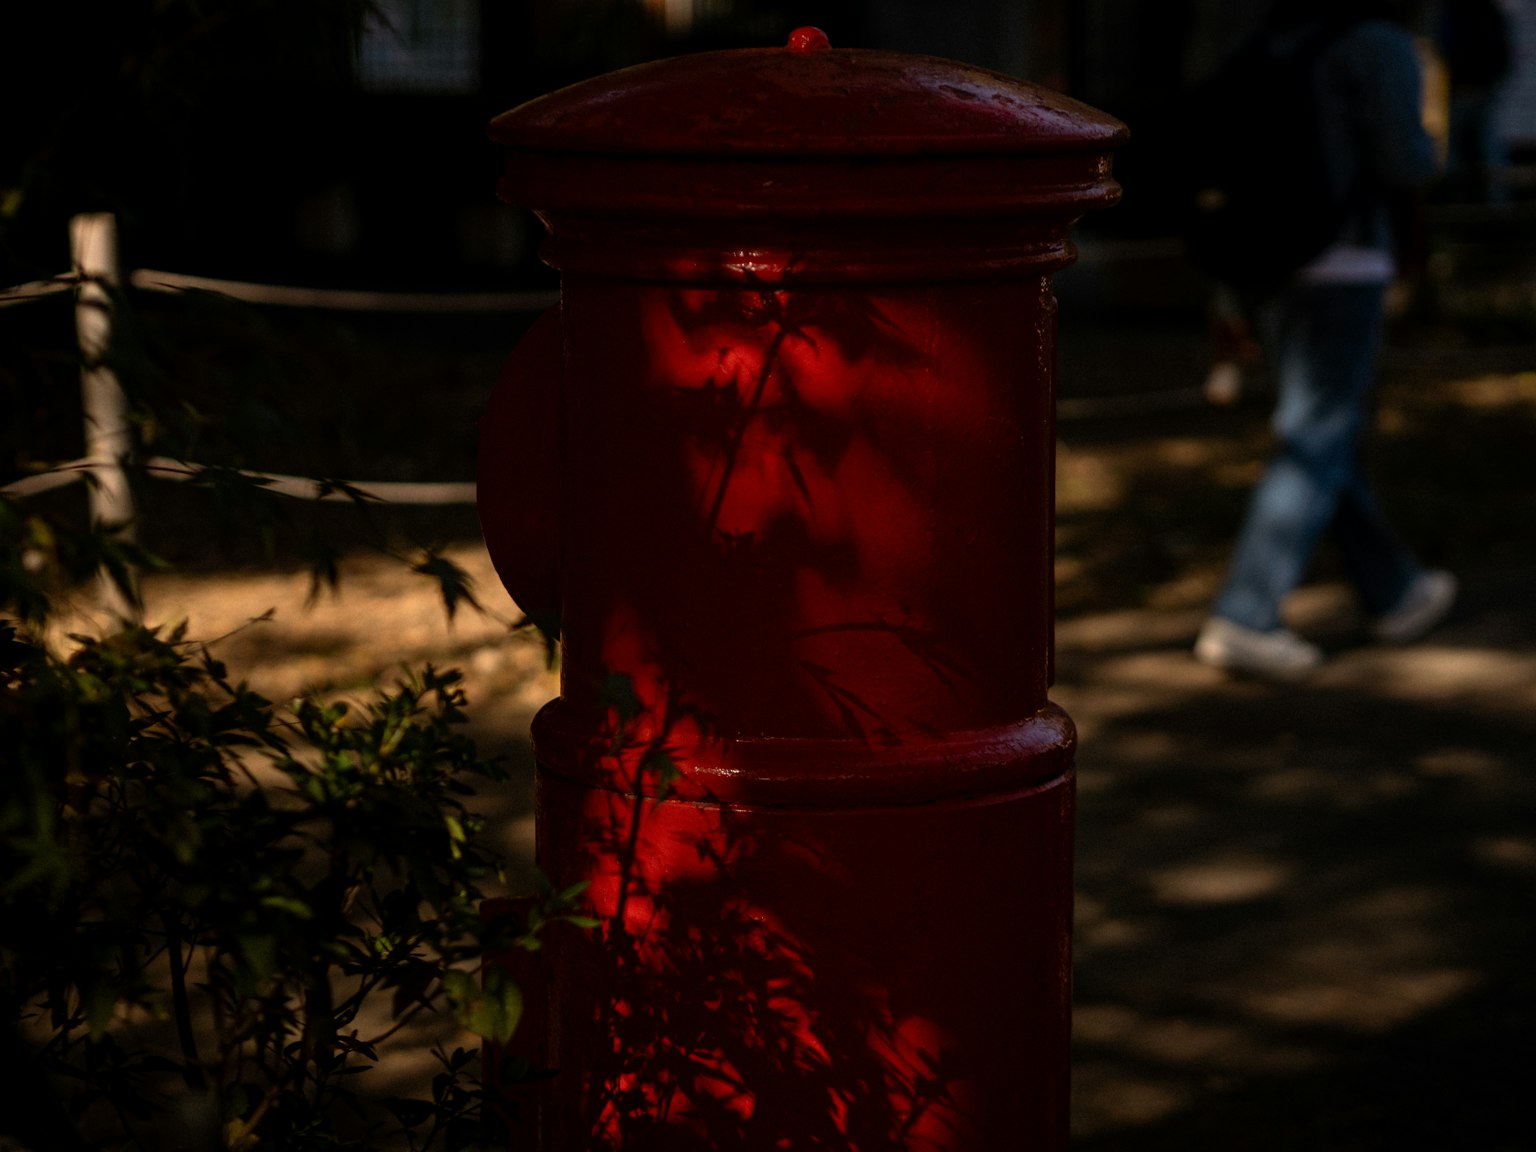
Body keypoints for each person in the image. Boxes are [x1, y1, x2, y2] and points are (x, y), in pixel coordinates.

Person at [1194, 0, 1457, 680]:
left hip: (1265, 259)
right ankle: (1247, 614)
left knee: (1319, 434)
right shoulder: (1375, 41)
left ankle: (1395, 589)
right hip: (1343, 256)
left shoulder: (1271, 37)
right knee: (1316, 438)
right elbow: (1406, 162)